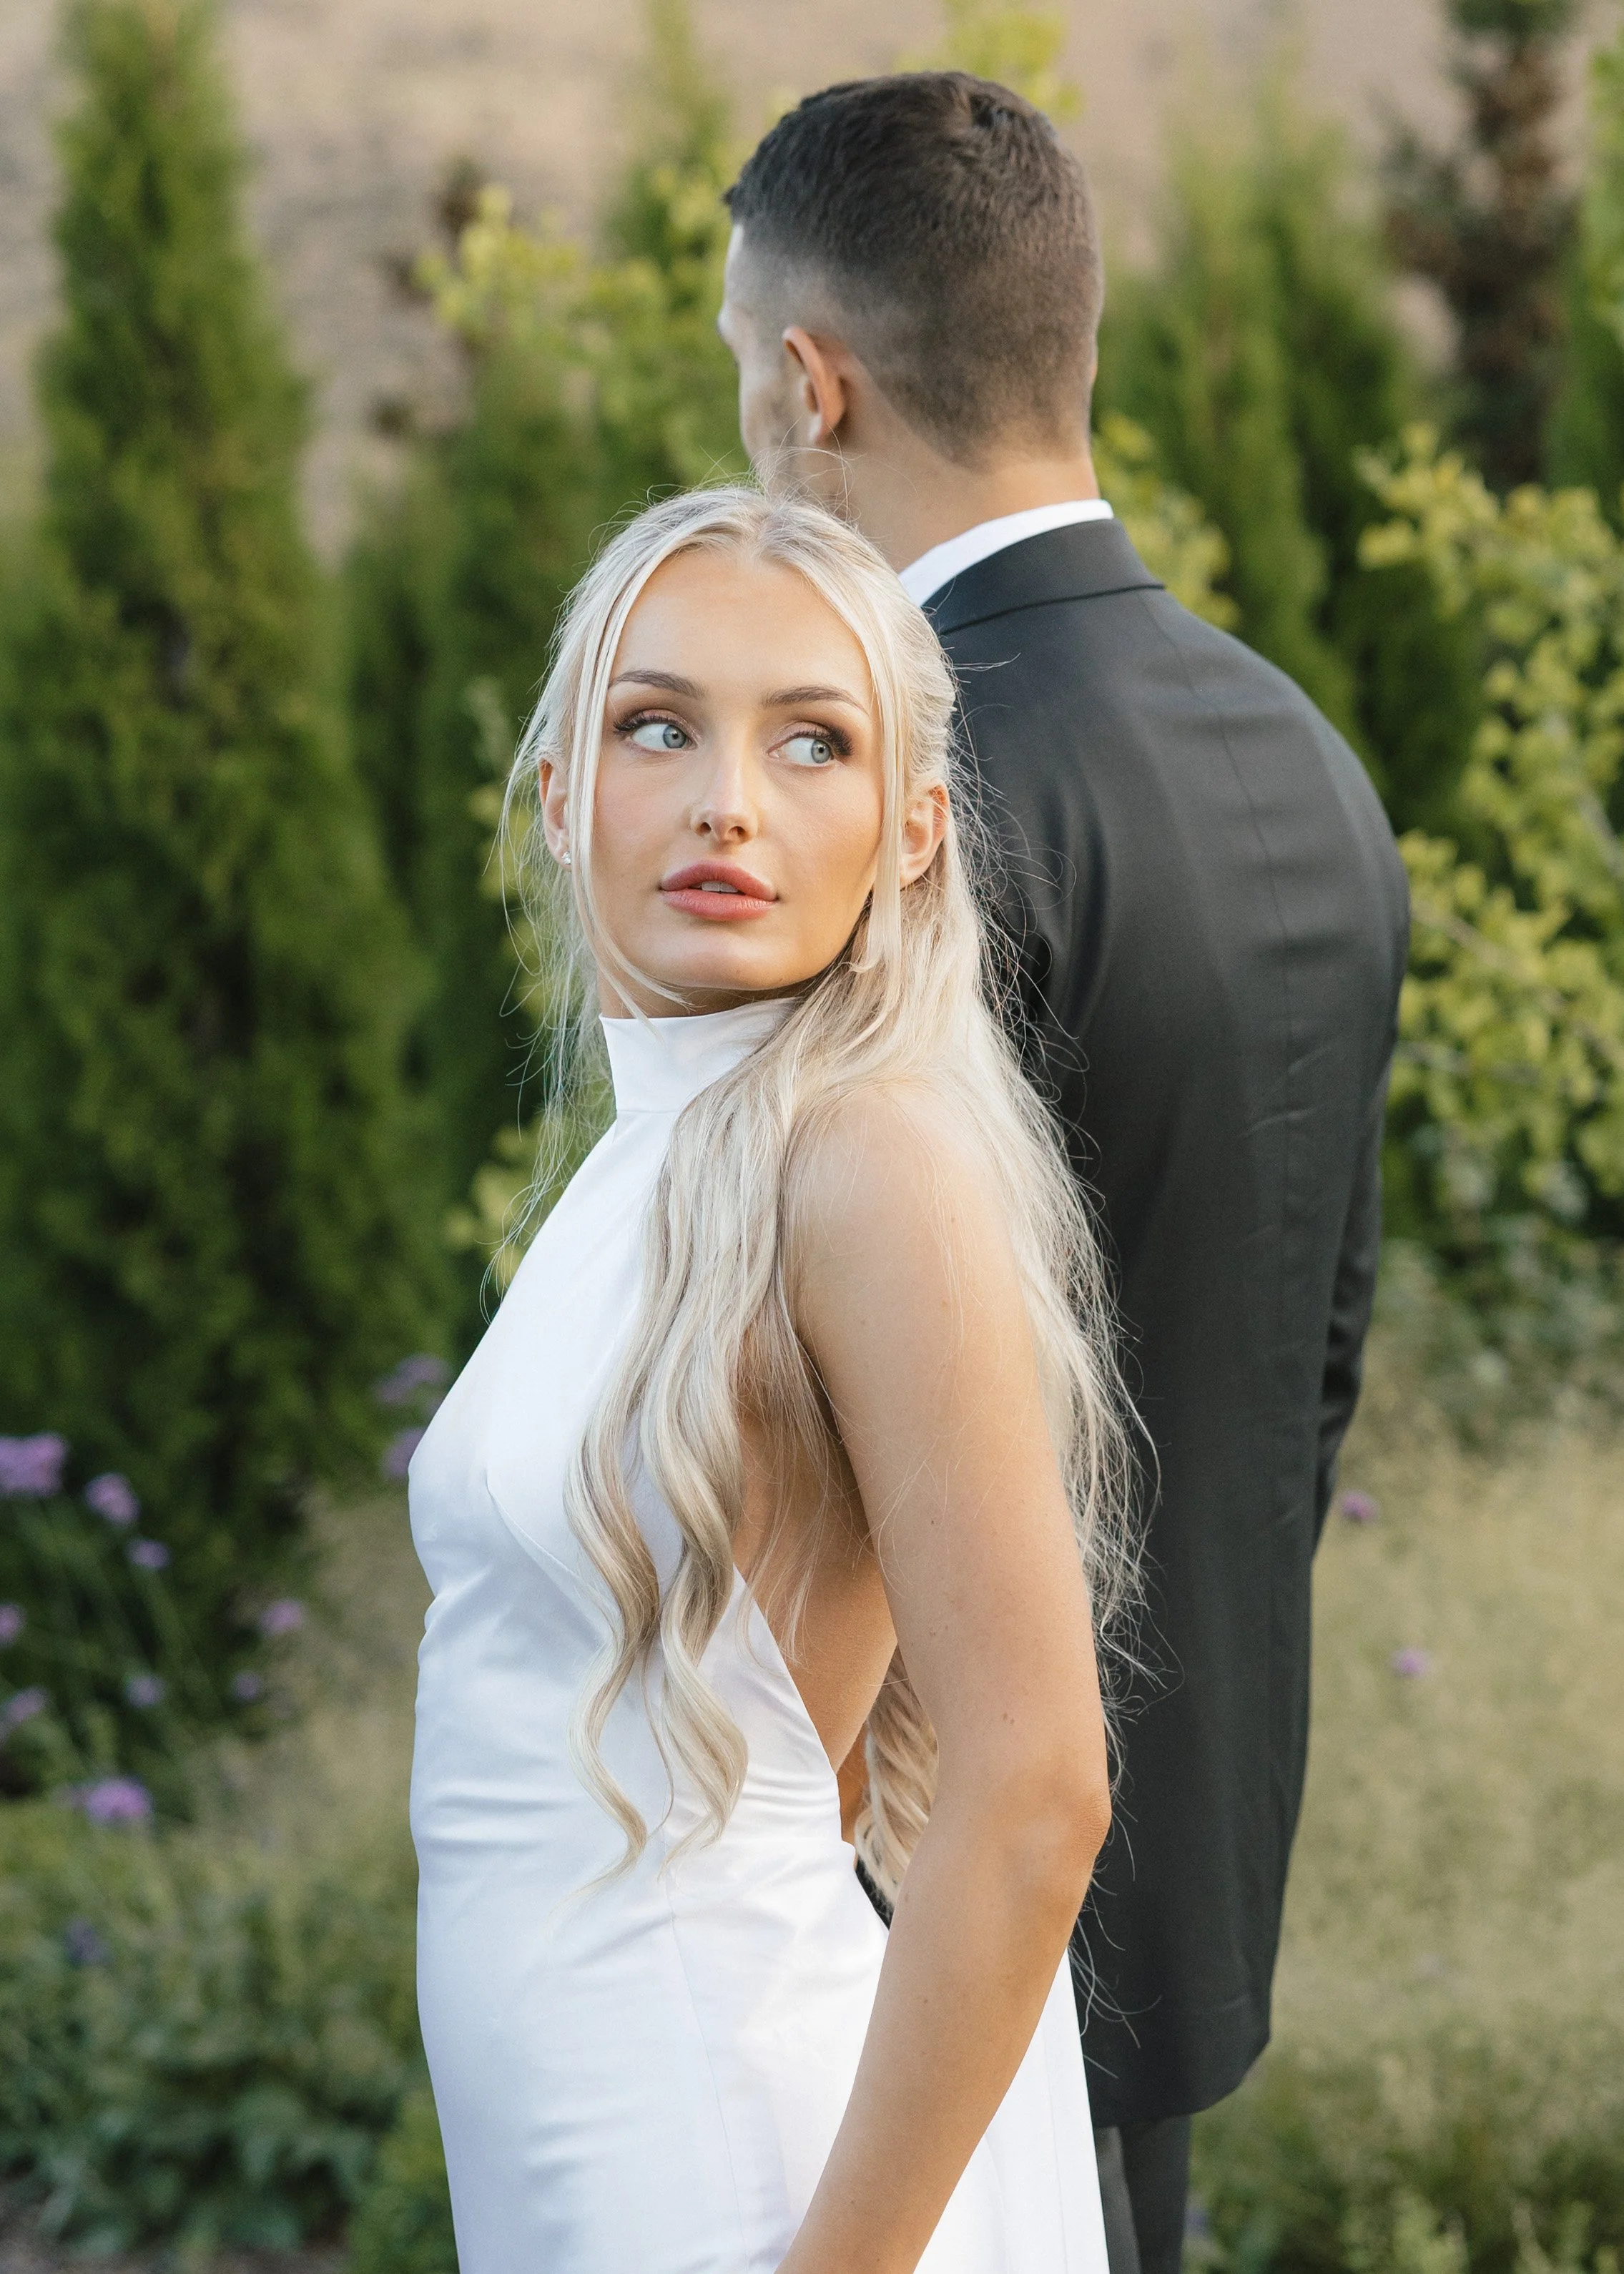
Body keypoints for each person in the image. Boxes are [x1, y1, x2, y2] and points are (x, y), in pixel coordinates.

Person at [719, 71, 1410, 2274]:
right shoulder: (1301, 759)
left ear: (811, 384)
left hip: (906, 1927)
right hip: (1176, 1869)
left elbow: (785, 1422)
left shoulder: (897, 811)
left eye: (746, 379)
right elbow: (1311, 1362)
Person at [408, 484, 1144, 2273]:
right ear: (569, 793)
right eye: (659, 726)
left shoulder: (862, 1157)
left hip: (727, 2148)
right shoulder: (659, 1153)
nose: (727, 798)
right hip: (579, 2134)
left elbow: (1038, 1781)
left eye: (808, 741)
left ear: (907, 832)